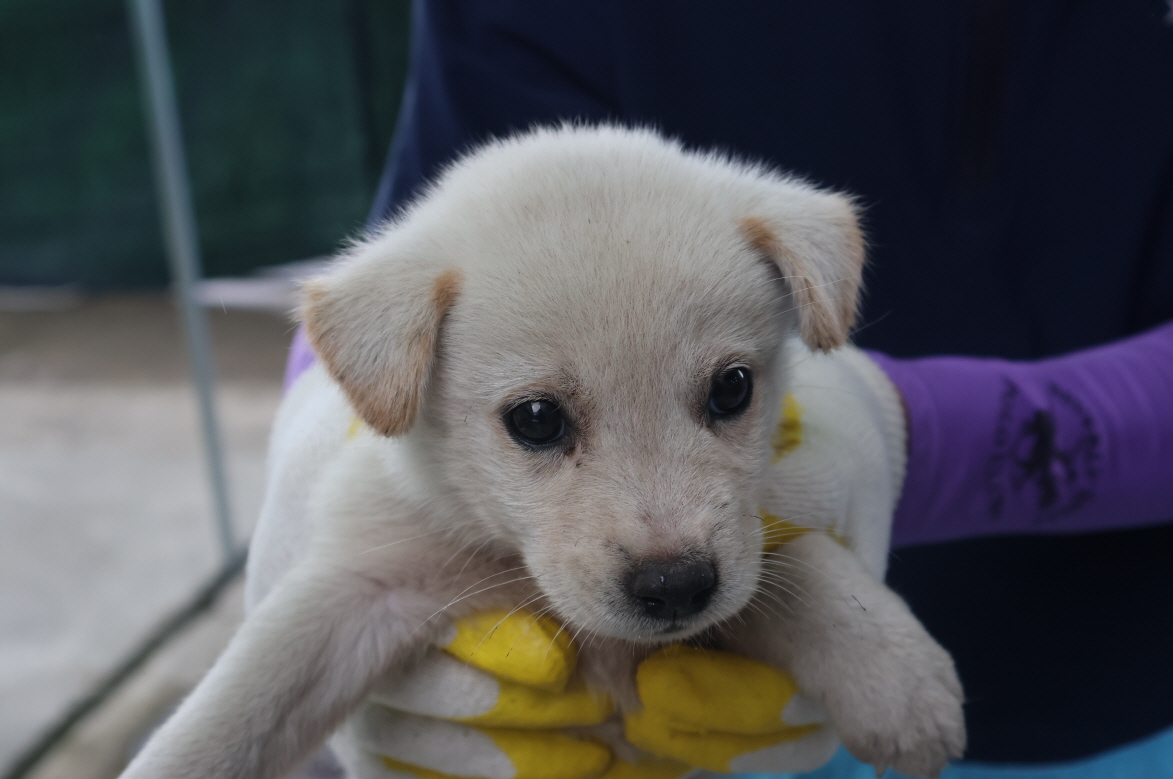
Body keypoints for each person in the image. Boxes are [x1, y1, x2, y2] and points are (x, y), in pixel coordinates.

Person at [283, 2, 1173, 776]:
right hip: (660, 725)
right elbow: (432, 240)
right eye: (542, 420)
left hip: (1134, 682)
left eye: (727, 393)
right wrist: (324, 436)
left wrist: (923, 437)